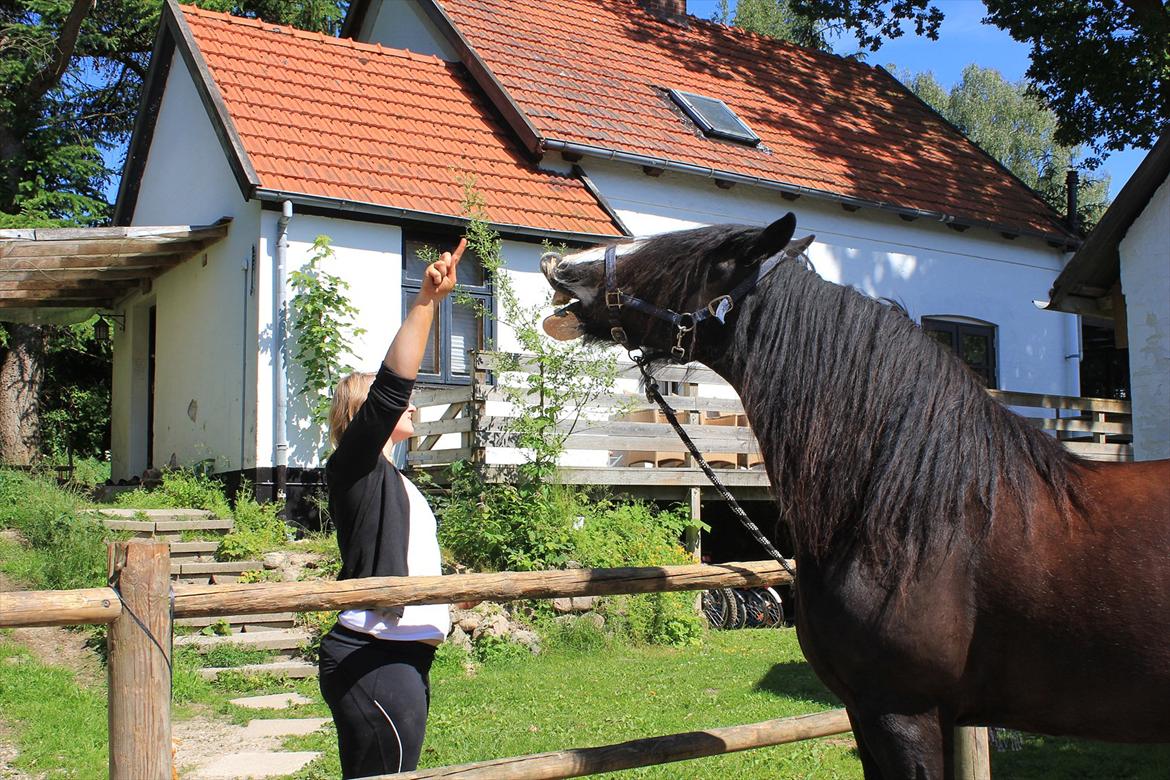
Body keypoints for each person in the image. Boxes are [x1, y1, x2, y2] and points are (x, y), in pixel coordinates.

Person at [318, 238, 466, 777]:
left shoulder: (393, 479)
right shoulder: (354, 470)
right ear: (365, 415)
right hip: (373, 656)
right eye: (394, 401)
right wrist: (427, 301)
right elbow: (390, 389)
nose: (409, 400)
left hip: (402, 657)